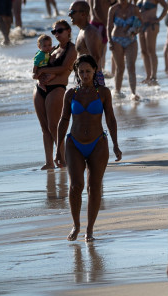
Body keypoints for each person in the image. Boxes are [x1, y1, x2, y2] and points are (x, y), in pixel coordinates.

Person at [55, 55, 122, 242]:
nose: (85, 75)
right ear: (77, 73)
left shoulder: (103, 93)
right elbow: (63, 120)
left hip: (98, 143)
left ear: (94, 71)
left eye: (88, 71)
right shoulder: (71, 94)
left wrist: (116, 145)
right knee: (76, 186)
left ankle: (90, 229)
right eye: (81, 72)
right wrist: (58, 148)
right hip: (74, 143)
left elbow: (110, 119)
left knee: (94, 187)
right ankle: (76, 224)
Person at [34, 20, 77, 170]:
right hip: (40, 88)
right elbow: (39, 65)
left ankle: (62, 158)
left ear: (68, 31)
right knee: (44, 128)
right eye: (54, 32)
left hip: (57, 88)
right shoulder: (52, 49)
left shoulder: (72, 49)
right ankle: (49, 162)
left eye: (60, 31)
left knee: (54, 126)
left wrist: (44, 71)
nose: (56, 34)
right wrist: (39, 75)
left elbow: (64, 68)